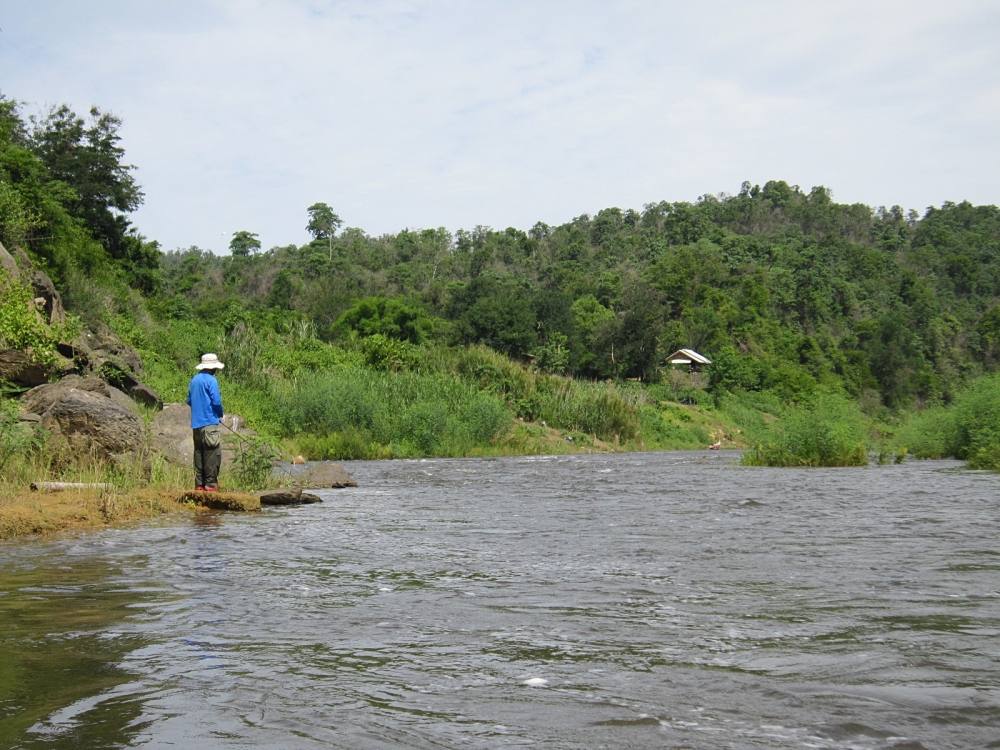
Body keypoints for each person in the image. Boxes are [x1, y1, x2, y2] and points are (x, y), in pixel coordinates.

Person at [187, 353, 225, 491]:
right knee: (212, 454)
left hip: (196, 425)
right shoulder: (211, 380)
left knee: (199, 454)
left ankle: (199, 486)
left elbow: (189, 401)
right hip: (210, 424)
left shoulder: (194, 380)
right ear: (212, 368)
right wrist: (219, 414)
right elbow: (216, 401)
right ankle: (211, 486)